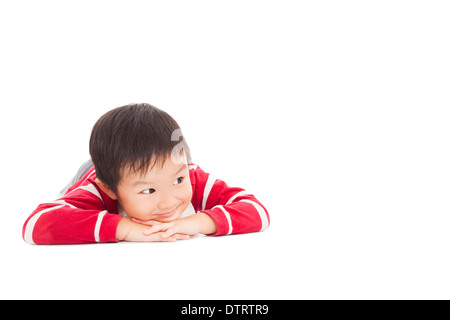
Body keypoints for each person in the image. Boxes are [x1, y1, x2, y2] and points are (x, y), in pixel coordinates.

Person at [22, 103, 270, 244]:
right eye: (148, 190)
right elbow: (35, 225)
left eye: (178, 180)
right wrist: (126, 229)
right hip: (90, 173)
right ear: (111, 189)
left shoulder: (191, 175)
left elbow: (257, 210)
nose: (169, 201)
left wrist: (196, 222)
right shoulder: (97, 190)